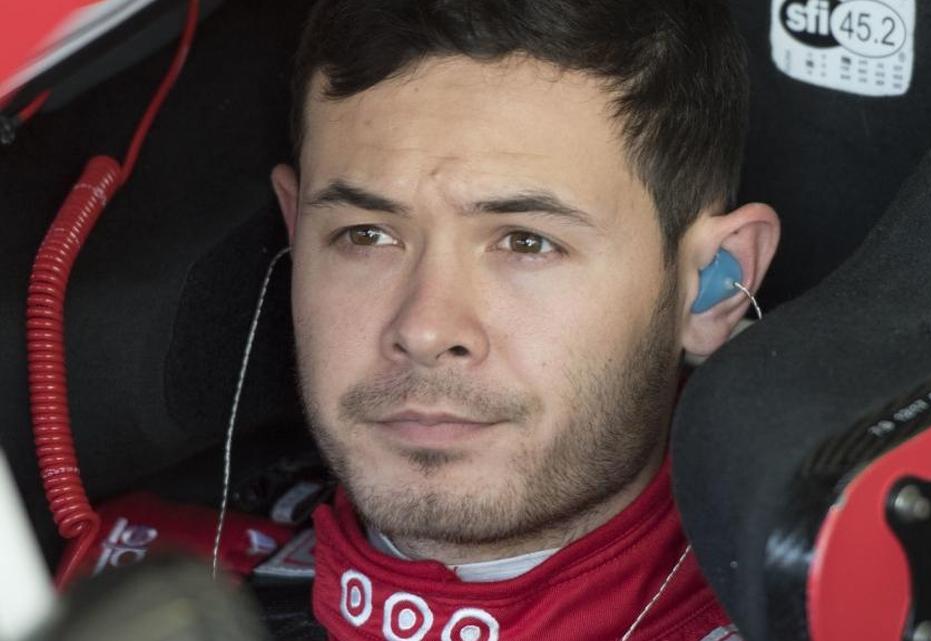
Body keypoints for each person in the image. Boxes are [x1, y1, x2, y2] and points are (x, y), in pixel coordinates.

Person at [269, 0, 780, 638]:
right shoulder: (164, 560)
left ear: (712, 286)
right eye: (367, 235)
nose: (425, 330)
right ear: (295, 230)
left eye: (526, 242)